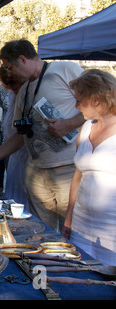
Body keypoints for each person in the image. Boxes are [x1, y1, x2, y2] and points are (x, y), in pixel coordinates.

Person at [0, 39, 84, 232]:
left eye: (9, 68)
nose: (9, 74)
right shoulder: (24, 90)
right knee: (41, 234)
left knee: (72, 233)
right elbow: (20, 135)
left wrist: (68, 124)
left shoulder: (65, 70)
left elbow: (102, 103)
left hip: (67, 170)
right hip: (37, 174)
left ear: (23, 59)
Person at [61, 69, 116, 265]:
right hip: (81, 224)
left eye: (80, 101)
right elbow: (78, 176)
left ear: (97, 101)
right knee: (82, 273)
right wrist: (68, 218)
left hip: (112, 228)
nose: (76, 106)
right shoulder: (85, 128)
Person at [0, 65, 29, 208]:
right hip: (14, 155)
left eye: (12, 83)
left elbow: (20, 135)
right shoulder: (12, 94)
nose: (10, 88)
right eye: (7, 85)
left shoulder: (28, 93)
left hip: (26, 157)